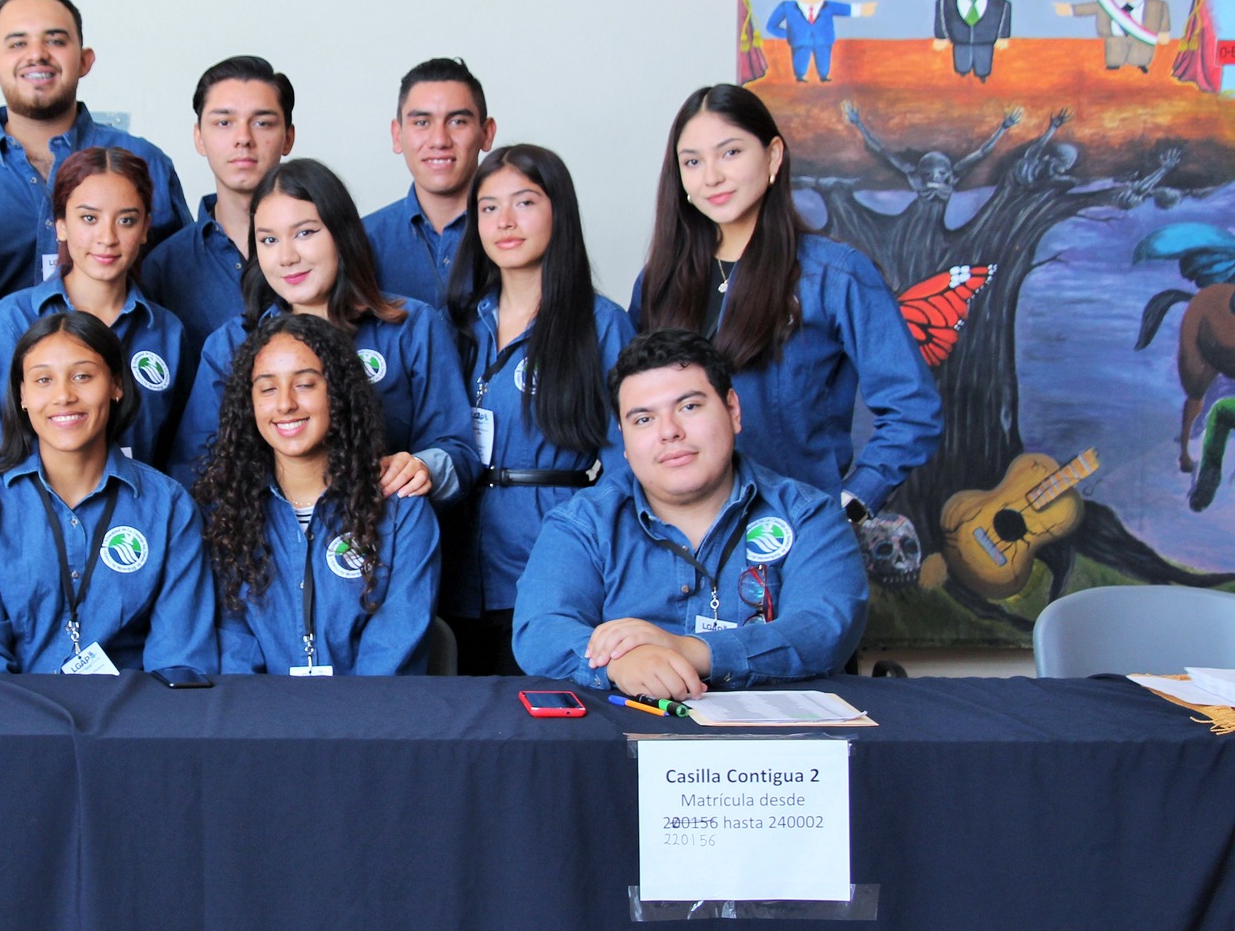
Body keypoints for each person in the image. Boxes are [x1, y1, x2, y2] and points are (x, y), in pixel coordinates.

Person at [633, 84, 940, 525]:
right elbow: (631, 409)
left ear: (773, 156)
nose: (711, 177)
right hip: (676, 535)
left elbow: (913, 409)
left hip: (791, 533)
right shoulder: (659, 282)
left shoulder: (834, 274)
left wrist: (851, 503)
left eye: (730, 153)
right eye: (693, 162)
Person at [512, 330, 869, 696]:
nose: (669, 432)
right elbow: (539, 629)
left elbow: (825, 629)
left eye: (689, 407)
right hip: (625, 727)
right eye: (643, 420)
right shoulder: (583, 523)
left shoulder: (808, 515)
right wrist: (619, 664)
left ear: (733, 410)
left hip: (777, 729)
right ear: (624, 439)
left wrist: (690, 651)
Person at [169, 158, 478, 504]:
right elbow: (193, 468)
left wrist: (422, 467)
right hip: (266, 533)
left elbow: (459, 451)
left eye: (304, 233)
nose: (286, 257)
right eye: (268, 240)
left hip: (387, 526)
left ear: (341, 233)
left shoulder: (411, 326)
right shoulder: (230, 345)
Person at [442, 145, 633, 676]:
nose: (504, 221)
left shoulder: (601, 325)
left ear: (558, 211)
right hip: (453, 563)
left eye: (524, 203)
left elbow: (629, 464)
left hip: (549, 555)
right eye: (488, 207)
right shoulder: (455, 322)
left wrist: (591, 549)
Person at [0, 312, 217, 675]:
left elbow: (179, 664)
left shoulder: (169, 507)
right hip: (12, 708)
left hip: (134, 709)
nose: (64, 396)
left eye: (83, 376)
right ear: (22, 395)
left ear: (116, 385)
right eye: (43, 380)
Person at [196, 314, 440, 676]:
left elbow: (394, 645)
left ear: (338, 392)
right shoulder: (226, 514)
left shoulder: (402, 509)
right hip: (259, 709)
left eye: (305, 384)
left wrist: (338, 712)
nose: (285, 404)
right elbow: (233, 646)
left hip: (373, 708)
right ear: (249, 403)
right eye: (267, 388)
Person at [0, 146, 185, 471]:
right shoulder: (14, 320)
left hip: (137, 503)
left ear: (145, 227)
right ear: (60, 224)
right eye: (89, 218)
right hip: (27, 503)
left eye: (126, 220)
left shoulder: (167, 333)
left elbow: (182, 459)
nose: (107, 237)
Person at [0, 0, 190, 298]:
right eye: (18, 43)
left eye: (55, 41)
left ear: (84, 60)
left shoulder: (146, 161)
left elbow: (182, 284)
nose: (36, 54)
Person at [141, 55, 296, 370]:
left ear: (288, 137)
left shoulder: (323, 252)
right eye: (224, 123)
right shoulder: (163, 267)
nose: (243, 139)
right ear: (199, 137)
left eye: (262, 123)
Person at [362, 57, 497, 309]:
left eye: (457, 122)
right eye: (422, 123)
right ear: (397, 135)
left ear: (486, 133)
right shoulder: (360, 242)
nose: (439, 140)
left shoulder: (518, 233)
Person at [763, 0, 876, 84]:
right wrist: (788, 34)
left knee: (823, 58)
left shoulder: (827, 6)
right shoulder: (787, 7)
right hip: (800, 42)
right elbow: (771, 26)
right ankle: (800, 76)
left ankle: (823, 75)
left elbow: (845, 9)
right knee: (800, 60)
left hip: (823, 40)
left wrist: (862, 10)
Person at [932, 0, 1013, 82]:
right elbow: (941, 18)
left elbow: (1005, 17)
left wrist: (1003, 36)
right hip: (959, 40)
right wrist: (941, 36)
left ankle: (982, 77)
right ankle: (962, 75)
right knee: (961, 67)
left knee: (983, 67)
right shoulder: (945, 1)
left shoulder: (1000, 3)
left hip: (986, 41)